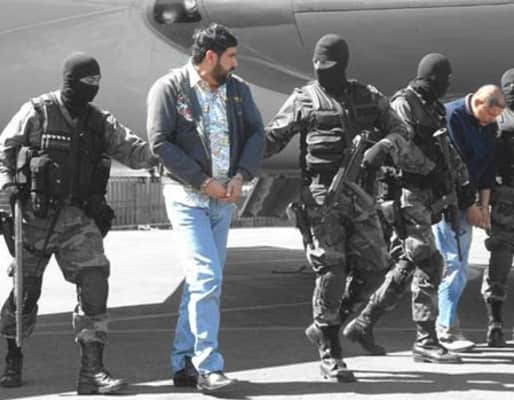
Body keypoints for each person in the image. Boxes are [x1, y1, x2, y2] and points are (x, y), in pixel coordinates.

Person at [264, 34, 436, 381]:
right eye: (317, 65)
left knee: (376, 268)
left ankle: (328, 323)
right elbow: (272, 139)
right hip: (321, 197)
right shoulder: (304, 99)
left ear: (342, 65)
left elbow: (400, 131)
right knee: (331, 270)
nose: (321, 71)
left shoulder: (368, 96)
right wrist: (237, 147)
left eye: (328, 65)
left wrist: (383, 147)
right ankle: (331, 351)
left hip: (360, 195)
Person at [0, 52, 157, 393]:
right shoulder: (37, 112)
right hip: (35, 218)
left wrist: (168, 144)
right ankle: (13, 356)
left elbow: (136, 153)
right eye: (87, 81)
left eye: (97, 81)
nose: (93, 87)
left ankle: (92, 371)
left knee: (95, 284)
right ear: (69, 80)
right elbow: (4, 152)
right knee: (25, 294)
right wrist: (6, 186)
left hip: (79, 221)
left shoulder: (100, 122)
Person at [146, 23, 264, 392]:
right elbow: (159, 143)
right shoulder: (169, 88)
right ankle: (208, 367)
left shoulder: (238, 91)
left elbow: (256, 133)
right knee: (207, 278)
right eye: (230, 56)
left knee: (201, 283)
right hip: (187, 199)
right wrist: (202, 182)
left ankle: (182, 362)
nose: (235, 63)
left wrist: (241, 175)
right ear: (210, 56)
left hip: (223, 201)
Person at [343, 53, 477, 362]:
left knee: (407, 265)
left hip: (426, 195)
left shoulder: (433, 107)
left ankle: (363, 325)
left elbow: (446, 148)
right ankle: (425, 341)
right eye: (444, 79)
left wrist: (462, 180)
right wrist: (431, 169)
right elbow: (398, 146)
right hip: (407, 193)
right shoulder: (403, 104)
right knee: (430, 262)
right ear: (432, 78)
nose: (447, 85)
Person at [434, 85, 505, 350]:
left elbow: (486, 169)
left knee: (458, 266)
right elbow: (454, 167)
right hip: (448, 201)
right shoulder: (451, 117)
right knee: (454, 264)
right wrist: (471, 204)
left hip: (469, 202)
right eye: (489, 114)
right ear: (477, 102)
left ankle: (447, 326)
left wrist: (484, 207)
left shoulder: (488, 125)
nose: (491, 121)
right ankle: (446, 330)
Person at [480, 69, 514, 347]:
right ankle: (495, 324)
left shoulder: (496, 121)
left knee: (499, 262)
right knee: (499, 262)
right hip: (505, 199)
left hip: (503, 199)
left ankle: (496, 325)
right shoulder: (497, 122)